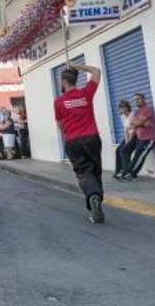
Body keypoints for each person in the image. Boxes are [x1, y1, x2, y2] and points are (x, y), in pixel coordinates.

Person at [54, 63, 105, 224]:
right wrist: (77, 65)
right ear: (75, 80)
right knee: (95, 172)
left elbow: (60, 125)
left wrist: (69, 135)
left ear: (64, 82)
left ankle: (93, 197)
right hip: (92, 138)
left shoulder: (59, 101)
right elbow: (96, 71)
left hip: (73, 140)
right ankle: (96, 203)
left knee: (84, 172)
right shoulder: (86, 93)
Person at [121, 93, 155, 180]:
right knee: (126, 151)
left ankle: (131, 174)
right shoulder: (137, 112)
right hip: (139, 137)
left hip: (149, 138)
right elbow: (132, 124)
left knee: (139, 156)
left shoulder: (148, 110)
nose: (136, 101)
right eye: (135, 100)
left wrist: (138, 123)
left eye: (138, 99)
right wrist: (141, 123)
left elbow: (137, 123)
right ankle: (128, 171)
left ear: (143, 99)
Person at [113, 100, 135, 180]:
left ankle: (126, 172)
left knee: (124, 151)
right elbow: (125, 130)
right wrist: (126, 141)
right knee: (118, 150)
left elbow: (134, 129)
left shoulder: (132, 115)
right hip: (127, 135)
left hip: (134, 136)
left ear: (127, 107)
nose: (121, 109)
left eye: (122, 107)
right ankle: (118, 171)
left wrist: (129, 142)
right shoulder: (122, 117)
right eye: (120, 107)